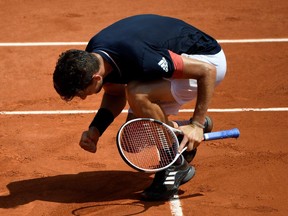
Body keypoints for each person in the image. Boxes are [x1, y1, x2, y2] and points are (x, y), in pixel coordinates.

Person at [53, 14, 227, 201]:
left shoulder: (141, 57)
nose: (82, 97)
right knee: (134, 139)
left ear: (96, 78)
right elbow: (114, 92)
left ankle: (175, 164)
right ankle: (179, 133)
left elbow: (206, 72)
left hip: (206, 60)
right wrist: (96, 129)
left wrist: (197, 126)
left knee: (137, 92)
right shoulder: (94, 57)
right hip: (161, 56)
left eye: (80, 92)